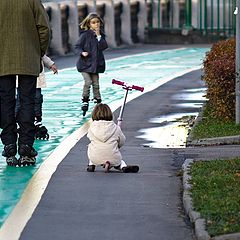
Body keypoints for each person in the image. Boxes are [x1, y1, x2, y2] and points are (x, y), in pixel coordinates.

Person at [0, 0, 51, 166]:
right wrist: (38, 51)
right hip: (28, 59)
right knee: (27, 101)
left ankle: (9, 145)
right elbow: (44, 29)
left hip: (2, 59)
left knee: (5, 101)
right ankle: (25, 146)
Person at [86, 103, 139, 173]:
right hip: (113, 156)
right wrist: (116, 145)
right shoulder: (116, 128)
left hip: (95, 157)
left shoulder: (91, 128)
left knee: (92, 147)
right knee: (119, 162)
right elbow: (122, 141)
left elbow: (90, 138)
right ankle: (123, 167)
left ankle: (91, 165)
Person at [16, 55, 58, 140]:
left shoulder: (33, 43)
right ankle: (17, 121)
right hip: (20, 73)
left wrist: (50, 64)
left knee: (37, 98)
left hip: (35, 73)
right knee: (20, 100)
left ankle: (37, 120)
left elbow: (41, 52)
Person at [75, 12, 108, 116]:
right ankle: (85, 99)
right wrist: (82, 52)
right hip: (85, 65)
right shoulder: (85, 35)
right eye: (93, 23)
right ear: (89, 24)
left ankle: (97, 100)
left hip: (95, 65)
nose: (96, 24)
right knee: (88, 82)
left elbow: (103, 47)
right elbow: (77, 46)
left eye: (98, 22)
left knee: (96, 84)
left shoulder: (101, 36)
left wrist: (98, 36)